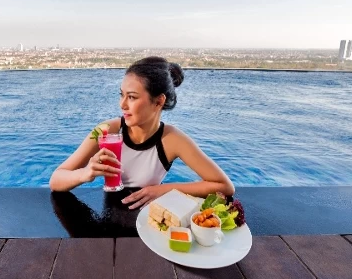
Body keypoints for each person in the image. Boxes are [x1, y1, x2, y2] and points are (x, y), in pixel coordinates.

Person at [49, 56, 235, 209]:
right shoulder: (106, 131)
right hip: (108, 219)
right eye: (121, 95)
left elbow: (224, 186)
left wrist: (162, 190)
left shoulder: (172, 139)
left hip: (151, 223)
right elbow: (56, 180)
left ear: (158, 102)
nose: (122, 104)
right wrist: (85, 173)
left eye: (132, 97)